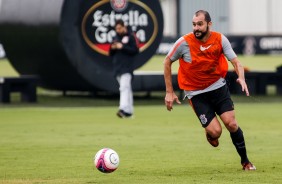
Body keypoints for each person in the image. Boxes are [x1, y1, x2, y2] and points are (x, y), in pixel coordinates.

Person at [163, 10, 256, 171]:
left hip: (218, 87)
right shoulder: (183, 43)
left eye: (200, 24)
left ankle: (246, 162)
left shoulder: (220, 39)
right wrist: (169, 92)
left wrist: (241, 77)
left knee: (232, 124)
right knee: (216, 132)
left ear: (209, 24)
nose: (196, 28)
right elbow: (167, 61)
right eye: (194, 24)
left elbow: (236, 61)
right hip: (196, 93)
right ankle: (210, 132)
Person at [109, 19, 139, 118]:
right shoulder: (115, 37)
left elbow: (135, 50)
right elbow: (110, 53)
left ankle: (122, 109)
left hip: (127, 67)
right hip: (117, 67)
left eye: (119, 28)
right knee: (127, 89)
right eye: (116, 28)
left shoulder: (131, 36)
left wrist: (122, 47)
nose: (118, 30)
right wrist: (113, 48)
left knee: (124, 88)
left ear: (124, 27)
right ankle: (129, 112)